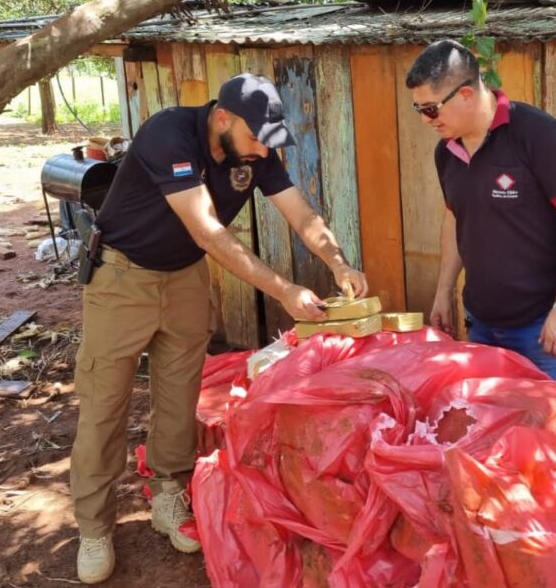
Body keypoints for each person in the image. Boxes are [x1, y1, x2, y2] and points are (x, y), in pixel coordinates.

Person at [70, 72, 367, 584]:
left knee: (179, 395)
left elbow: (301, 214)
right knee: (104, 404)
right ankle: (94, 526)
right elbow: (208, 230)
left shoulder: (255, 150)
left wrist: (338, 262)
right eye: (254, 139)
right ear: (223, 118)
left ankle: (169, 496)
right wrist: (284, 291)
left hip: (185, 277)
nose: (258, 153)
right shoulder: (169, 135)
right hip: (123, 277)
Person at [406, 39, 556, 382]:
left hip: (543, 322)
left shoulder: (538, 135)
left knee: (551, 427)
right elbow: (454, 218)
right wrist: (443, 291)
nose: (425, 120)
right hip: (482, 325)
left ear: (465, 94)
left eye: (431, 109)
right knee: (491, 423)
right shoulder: (445, 153)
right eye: (418, 109)